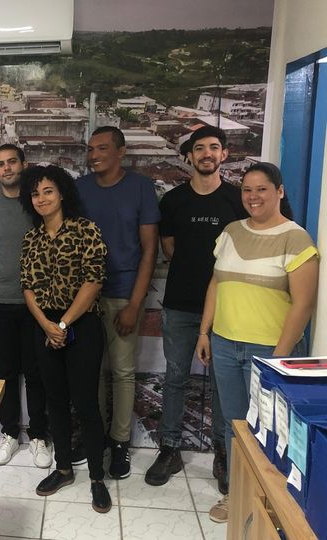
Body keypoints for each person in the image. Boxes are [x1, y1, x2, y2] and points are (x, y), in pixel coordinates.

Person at [196, 162, 318, 523]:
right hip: (225, 344)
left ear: (279, 191)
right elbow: (216, 283)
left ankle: (269, 504)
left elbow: (303, 304)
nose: (253, 196)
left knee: (271, 430)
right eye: (247, 190)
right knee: (235, 425)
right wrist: (204, 331)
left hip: (269, 351)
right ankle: (237, 495)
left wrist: (278, 360)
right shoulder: (231, 232)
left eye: (262, 189)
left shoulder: (296, 238)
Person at [146, 126, 247, 491]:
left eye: (214, 147)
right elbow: (169, 249)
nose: (207, 153)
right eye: (199, 148)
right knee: (174, 378)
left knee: (223, 384)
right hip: (180, 304)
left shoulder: (237, 200)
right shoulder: (173, 201)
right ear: (189, 156)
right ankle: (170, 448)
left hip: (227, 308)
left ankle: (222, 452)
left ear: (224, 154)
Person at [19, 164, 112, 513]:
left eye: (48, 191)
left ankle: (97, 478)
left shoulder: (86, 230)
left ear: (62, 194)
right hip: (44, 328)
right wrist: (47, 325)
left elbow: (94, 280)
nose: (41, 199)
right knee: (55, 401)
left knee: (86, 403)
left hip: (82, 326)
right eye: (35, 193)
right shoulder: (31, 238)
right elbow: (27, 287)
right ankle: (63, 469)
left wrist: (63, 323)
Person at [76, 126, 160, 479]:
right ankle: (95, 436)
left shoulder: (140, 187)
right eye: (90, 149)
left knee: (123, 372)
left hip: (124, 291)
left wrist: (134, 304)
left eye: (102, 148)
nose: (94, 155)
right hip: (85, 295)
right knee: (90, 370)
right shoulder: (80, 188)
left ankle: (120, 441)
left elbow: (150, 251)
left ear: (121, 151)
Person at [0, 144, 51, 468]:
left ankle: (38, 435)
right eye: (0, 164)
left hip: (37, 305)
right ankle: (9, 433)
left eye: (12, 162)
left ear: (23, 164)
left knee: (36, 373)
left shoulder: (38, 203)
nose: (6, 168)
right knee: (5, 373)